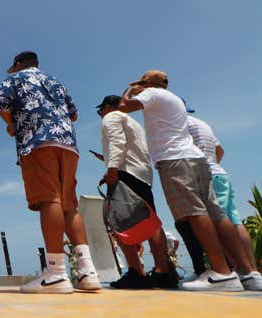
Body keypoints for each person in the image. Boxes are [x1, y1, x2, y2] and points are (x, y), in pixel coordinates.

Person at [118, 70, 247, 291]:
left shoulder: (153, 94)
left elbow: (124, 107)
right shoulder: (175, 99)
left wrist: (129, 91)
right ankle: (245, 272)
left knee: (193, 212)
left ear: (147, 83)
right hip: (196, 158)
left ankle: (222, 272)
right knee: (216, 213)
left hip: (174, 159)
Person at [0, 51, 101, 293]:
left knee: (49, 199)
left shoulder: (15, 78)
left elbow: (0, 102)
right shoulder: (56, 82)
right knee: (68, 204)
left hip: (38, 140)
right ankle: (87, 272)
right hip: (68, 143)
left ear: (19, 64)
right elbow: (74, 113)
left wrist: (11, 123)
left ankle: (56, 272)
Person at [96, 95, 177, 289]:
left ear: (107, 107)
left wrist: (112, 168)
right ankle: (163, 270)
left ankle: (136, 271)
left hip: (124, 174)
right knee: (151, 220)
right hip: (142, 175)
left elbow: (117, 142)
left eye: (101, 111)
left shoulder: (112, 116)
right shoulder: (133, 122)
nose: (101, 115)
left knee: (118, 221)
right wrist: (107, 159)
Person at [184, 108, 262, 289]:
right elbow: (220, 151)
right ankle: (252, 273)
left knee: (217, 222)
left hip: (207, 174)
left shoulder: (180, 123)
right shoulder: (202, 124)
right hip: (221, 174)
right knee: (234, 221)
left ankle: (233, 272)